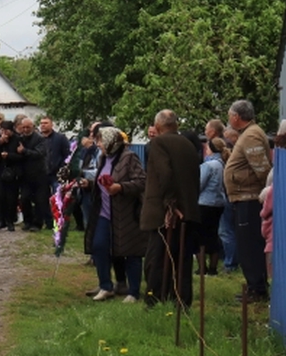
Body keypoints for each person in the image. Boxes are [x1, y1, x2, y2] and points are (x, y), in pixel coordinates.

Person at [141, 109, 202, 308]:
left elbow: (164, 174)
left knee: (156, 259)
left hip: (164, 212)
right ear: (175, 125)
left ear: (158, 127)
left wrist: (170, 204)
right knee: (182, 260)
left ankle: (154, 300)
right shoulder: (189, 145)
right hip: (188, 210)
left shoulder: (158, 143)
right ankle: (181, 301)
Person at [83, 127, 146, 302]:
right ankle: (105, 286)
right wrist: (88, 183)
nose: (99, 144)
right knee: (99, 246)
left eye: (101, 141)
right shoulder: (104, 158)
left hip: (126, 214)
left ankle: (133, 291)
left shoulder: (129, 157)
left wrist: (120, 187)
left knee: (130, 252)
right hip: (104, 212)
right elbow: (101, 179)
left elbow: (142, 181)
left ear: (112, 142)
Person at [223, 99, 272, 302]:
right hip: (244, 196)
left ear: (236, 116)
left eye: (230, 115)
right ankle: (255, 285)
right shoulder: (249, 134)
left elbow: (262, 169)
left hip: (249, 198)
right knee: (247, 244)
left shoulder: (251, 135)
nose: (228, 118)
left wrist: (264, 190)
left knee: (250, 245)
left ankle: (257, 288)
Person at [7, 117, 48, 231]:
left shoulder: (40, 139)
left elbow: (40, 153)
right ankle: (27, 221)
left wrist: (25, 151)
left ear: (33, 127)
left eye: (28, 127)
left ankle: (38, 223)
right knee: (24, 199)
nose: (25, 129)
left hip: (39, 174)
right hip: (25, 175)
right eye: (23, 127)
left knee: (40, 200)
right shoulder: (20, 139)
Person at [196, 137, 228, 275]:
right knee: (213, 235)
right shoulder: (223, 164)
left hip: (204, 203)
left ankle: (202, 268)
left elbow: (199, 184)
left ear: (211, 149)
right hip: (219, 203)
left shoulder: (208, 165)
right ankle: (213, 268)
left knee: (199, 237)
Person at [0, 120, 20, 231]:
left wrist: (9, 156)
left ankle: (10, 221)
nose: (4, 133)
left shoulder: (17, 139)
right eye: (2, 130)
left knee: (11, 198)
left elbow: (21, 156)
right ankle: (1, 220)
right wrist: (0, 143)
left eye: (6, 130)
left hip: (12, 172)